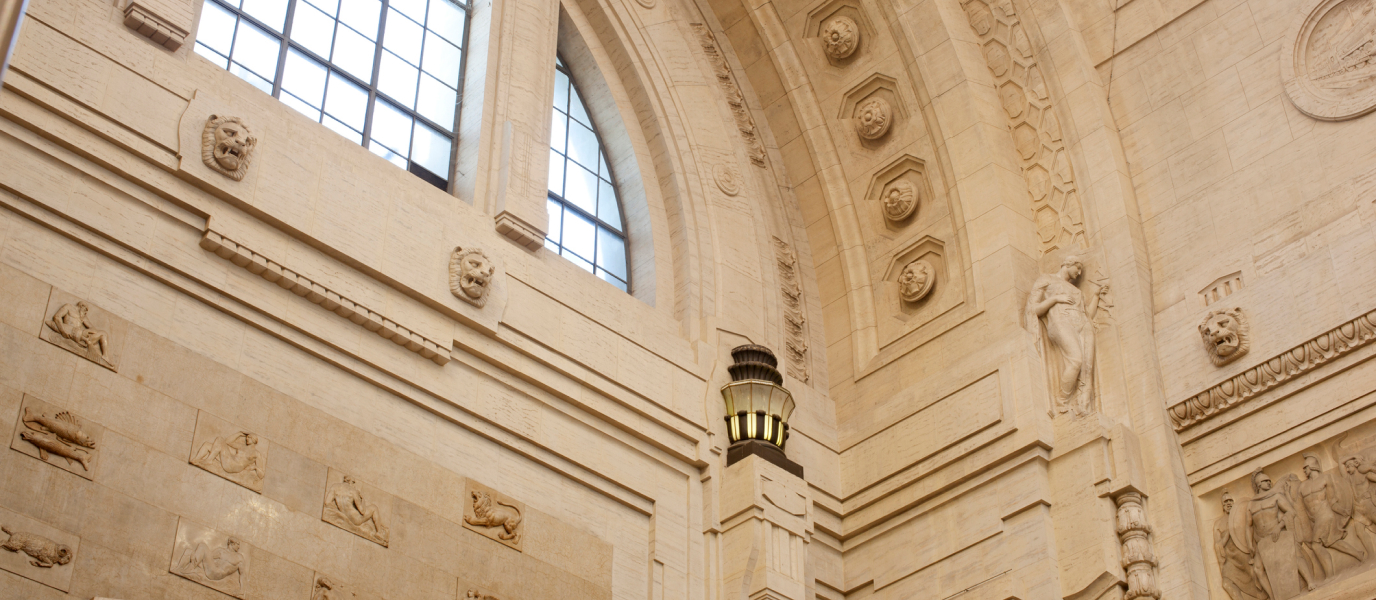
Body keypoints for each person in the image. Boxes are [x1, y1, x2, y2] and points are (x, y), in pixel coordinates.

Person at [1025, 256, 1108, 415]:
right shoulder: (1046, 280)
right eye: (1078, 267)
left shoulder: (1077, 291)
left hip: (1082, 325)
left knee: (1087, 368)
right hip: (1061, 322)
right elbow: (1034, 309)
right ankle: (1061, 401)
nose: (1080, 272)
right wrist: (1056, 299)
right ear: (1068, 264)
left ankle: (1082, 405)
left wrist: (1096, 296)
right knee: (1076, 360)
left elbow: (1087, 315)